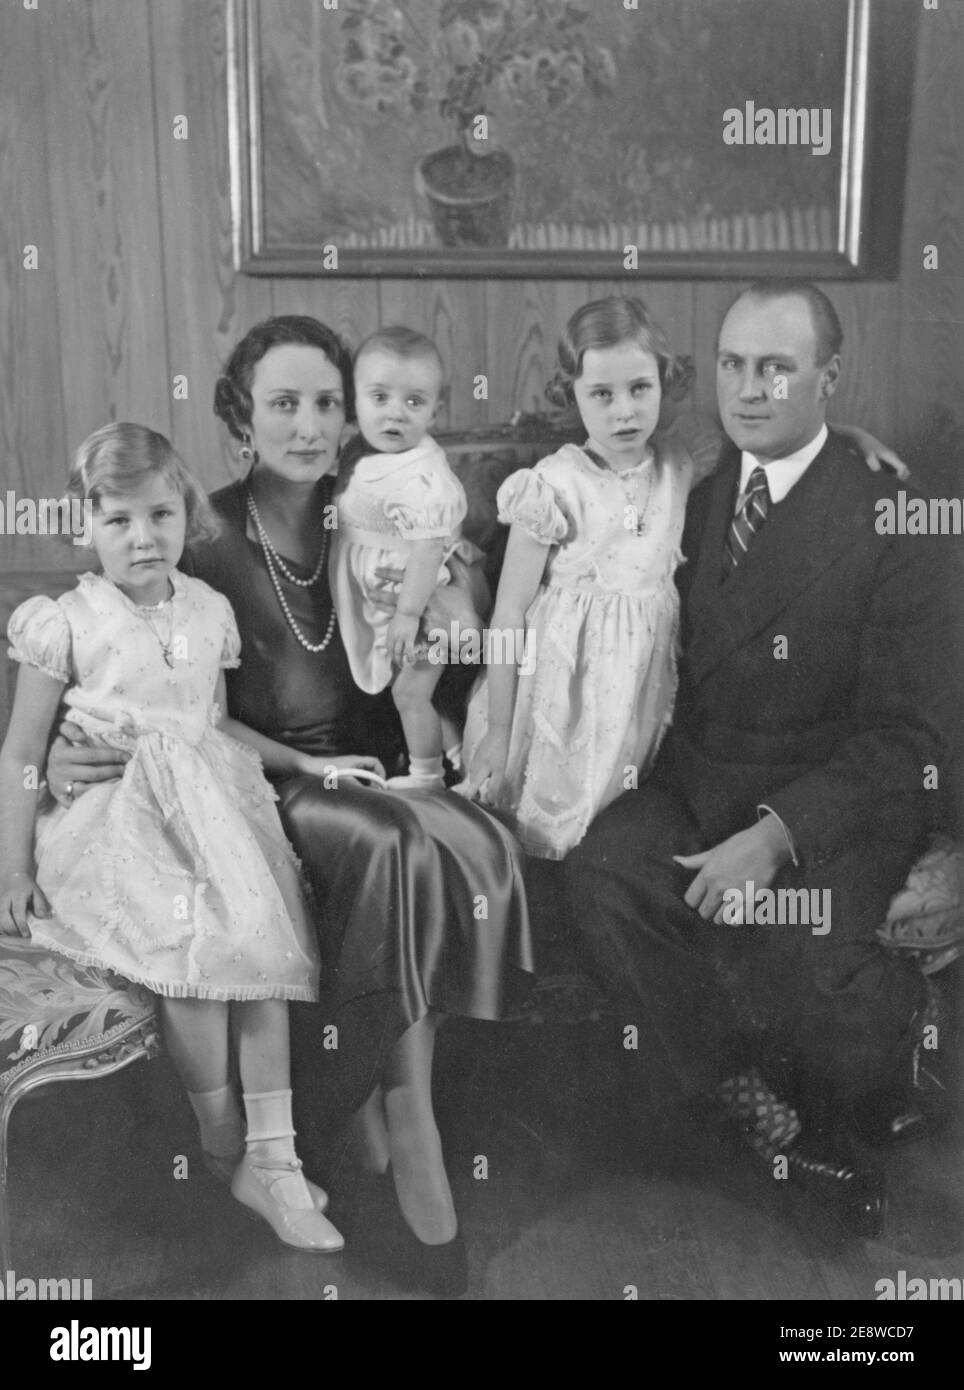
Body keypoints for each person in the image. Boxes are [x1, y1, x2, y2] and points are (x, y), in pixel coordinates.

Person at [45, 317, 534, 1295]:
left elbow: (437, 655)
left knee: (466, 837)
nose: (309, 426)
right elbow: (126, 665)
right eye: (283, 404)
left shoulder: (374, 509)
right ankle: (410, 1125)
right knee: (392, 839)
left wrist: (451, 599)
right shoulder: (201, 527)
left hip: (371, 763)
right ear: (240, 417)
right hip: (253, 786)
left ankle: (368, 1109)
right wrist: (71, 746)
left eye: (325, 403)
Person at [563, 281, 960, 1234]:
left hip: (829, 803)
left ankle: (887, 1076)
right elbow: (569, 521)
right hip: (699, 779)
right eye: (734, 365)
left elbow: (911, 737)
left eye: (777, 368)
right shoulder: (691, 498)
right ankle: (749, 1112)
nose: (749, 389)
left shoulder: (894, 517)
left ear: (831, 379)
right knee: (601, 877)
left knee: (803, 954)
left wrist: (778, 840)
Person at [0, 422, 344, 1254]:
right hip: (112, 823)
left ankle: (273, 1156)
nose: (142, 537)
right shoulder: (64, 621)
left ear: (187, 516)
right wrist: (11, 867)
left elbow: (216, 726)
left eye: (159, 515)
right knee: (189, 954)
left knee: (260, 947)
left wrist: (308, 762)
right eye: (117, 520)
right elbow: (20, 749)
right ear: (87, 525)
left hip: (212, 816)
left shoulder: (209, 609)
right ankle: (223, 1146)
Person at [330, 326, 481, 789]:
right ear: (354, 400)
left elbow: (428, 547)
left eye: (414, 402)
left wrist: (408, 615)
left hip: (421, 604)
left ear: (436, 408)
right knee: (418, 694)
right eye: (379, 398)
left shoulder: (422, 475)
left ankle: (427, 776)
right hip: (383, 600)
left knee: (410, 692)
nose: (395, 413)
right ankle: (463, 761)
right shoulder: (362, 455)